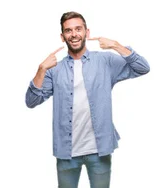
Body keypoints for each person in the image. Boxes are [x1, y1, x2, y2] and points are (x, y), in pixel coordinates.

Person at [25, 11, 150, 188]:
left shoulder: (105, 61)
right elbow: (31, 101)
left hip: (99, 150)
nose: (74, 34)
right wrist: (41, 69)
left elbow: (143, 68)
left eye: (78, 29)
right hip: (66, 152)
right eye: (68, 31)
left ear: (87, 32)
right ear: (62, 36)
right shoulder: (55, 70)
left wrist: (116, 45)